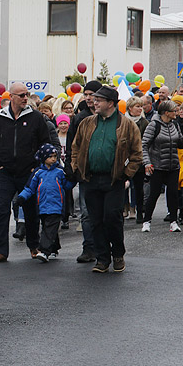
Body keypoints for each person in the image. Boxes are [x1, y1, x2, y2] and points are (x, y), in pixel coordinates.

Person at [70, 85, 142, 273]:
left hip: (113, 180)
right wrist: (77, 169)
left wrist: (126, 174)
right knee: (95, 220)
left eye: (98, 100)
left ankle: (117, 253)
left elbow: (137, 154)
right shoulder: (87, 123)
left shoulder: (126, 125)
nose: (94, 103)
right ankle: (102, 259)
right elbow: (75, 147)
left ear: (111, 103)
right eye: (94, 100)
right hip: (90, 179)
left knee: (112, 218)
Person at [0, 82, 50, 262]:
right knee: (1, 211)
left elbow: (45, 143)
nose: (25, 98)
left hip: (28, 172)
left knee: (30, 210)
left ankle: (34, 246)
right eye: (21, 95)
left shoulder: (36, 117)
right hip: (5, 172)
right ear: (11, 97)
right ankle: (1, 251)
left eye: (26, 94)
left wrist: (36, 166)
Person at [17, 143, 75, 262]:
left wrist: (73, 178)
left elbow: (67, 185)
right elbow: (30, 188)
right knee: (47, 227)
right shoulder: (38, 172)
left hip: (56, 206)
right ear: (44, 158)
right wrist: (22, 197)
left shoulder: (59, 171)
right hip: (42, 205)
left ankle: (44, 251)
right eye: (50, 156)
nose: (53, 159)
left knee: (49, 227)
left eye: (55, 156)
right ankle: (54, 248)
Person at [65, 80, 102, 263]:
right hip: (85, 174)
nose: (88, 98)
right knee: (86, 213)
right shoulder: (79, 119)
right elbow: (72, 146)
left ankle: (105, 247)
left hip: (106, 174)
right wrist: (72, 169)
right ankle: (89, 248)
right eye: (86, 94)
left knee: (105, 212)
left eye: (92, 94)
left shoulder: (111, 117)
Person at [140, 101, 183, 233]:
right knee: (153, 194)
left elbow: (179, 142)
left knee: (172, 194)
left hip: (173, 165)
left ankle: (173, 221)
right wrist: (147, 163)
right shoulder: (153, 125)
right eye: (174, 111)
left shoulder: (175, 124)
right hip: (157, 165)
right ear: (166, 113)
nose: (176, 113)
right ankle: (147, 221)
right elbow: (144, 145)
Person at [125, 96, 149, 224]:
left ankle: (140, 211)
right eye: (137, 106)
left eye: (141, 106)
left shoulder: (144, 123)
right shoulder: (123, 121)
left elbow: (146, 141)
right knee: (123, 186)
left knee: (138, 187)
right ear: (130, 108)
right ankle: (125, 209)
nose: (140, 109)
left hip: (138, 158)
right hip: (124, 158)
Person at [56, 114, 73, 229]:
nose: (63, 126)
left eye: (65, 123)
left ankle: (67, 214)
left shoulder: (70, 136)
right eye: (61, 123)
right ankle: (62, 216)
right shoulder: (56, 137)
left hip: (68, 166)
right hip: (58, 166)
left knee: (69, 193)